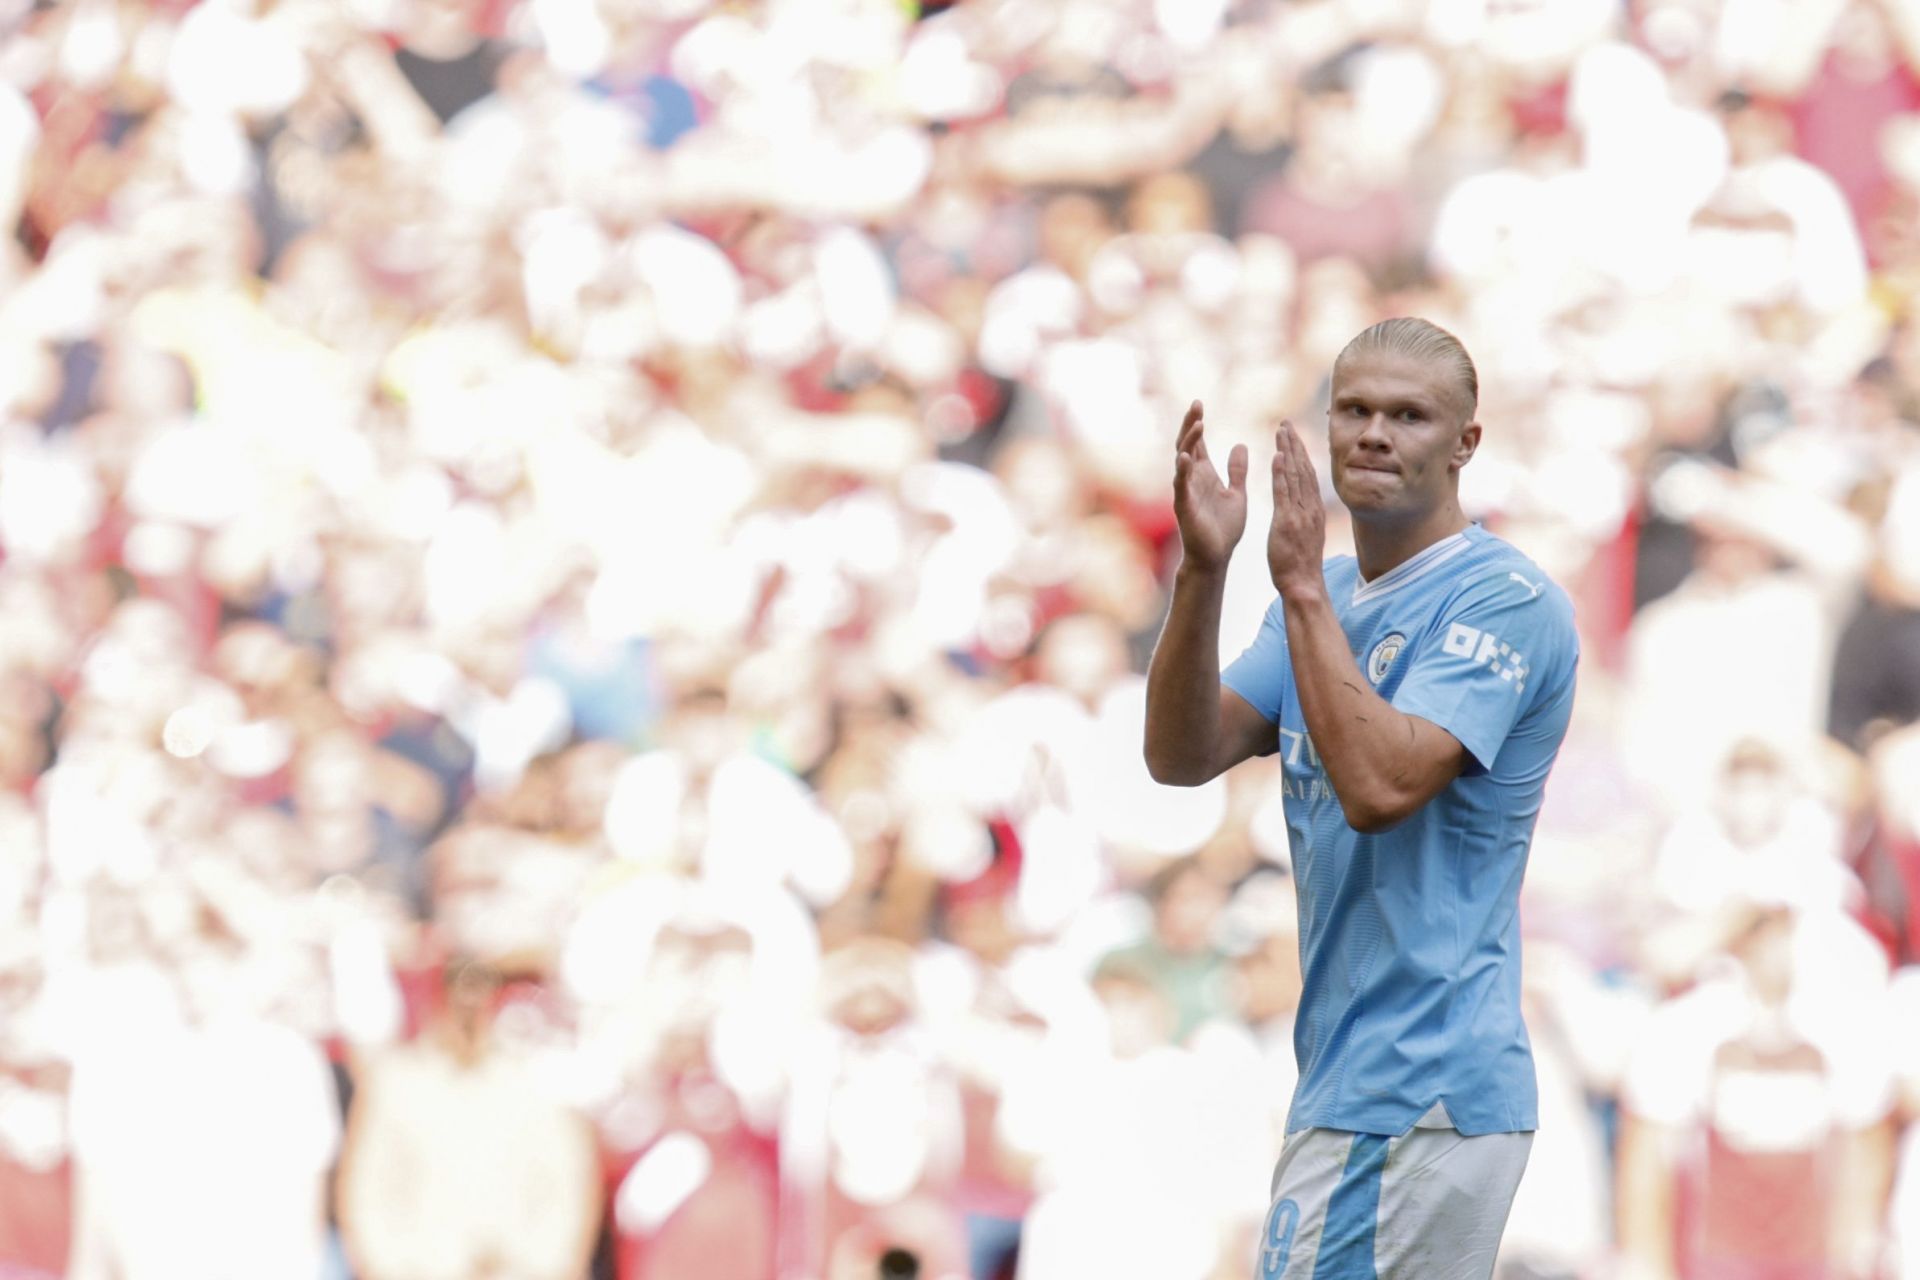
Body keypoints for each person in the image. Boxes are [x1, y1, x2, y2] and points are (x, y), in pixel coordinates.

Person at [1143, 317, 1580, 1279]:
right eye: (1355, 409)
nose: (1375, 433)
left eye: (1409, 415)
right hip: (1355, 1074)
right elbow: (1181, 755)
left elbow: (1383, 787)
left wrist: (1298, 590)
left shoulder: (1505, 601)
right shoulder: (1327, 591)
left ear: (1466, 442)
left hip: (1423, 1078)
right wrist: (1204, 570)